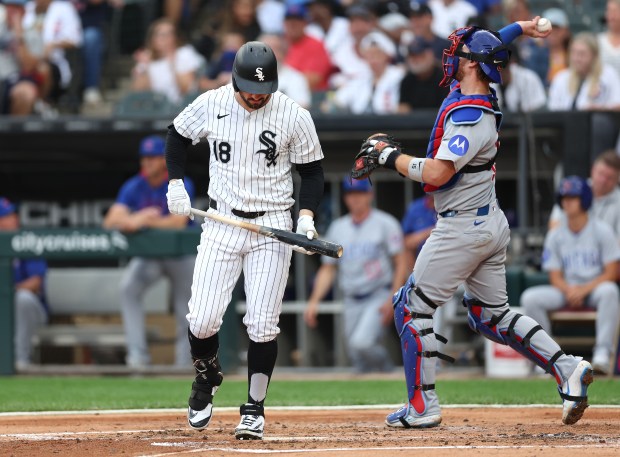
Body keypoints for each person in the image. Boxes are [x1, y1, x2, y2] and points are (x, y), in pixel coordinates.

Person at [350, 18, 595, 428]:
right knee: (490, 315)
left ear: (474, 65)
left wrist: (387, 156)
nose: (452, 56)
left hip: (462, 228)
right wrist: (523, 26)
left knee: (410, 308)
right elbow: (493, 44)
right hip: (487, 222)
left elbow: (437, 174)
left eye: (460, 54)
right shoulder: (477, 90)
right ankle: (566, 366)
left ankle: (422, 406)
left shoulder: (469, 117)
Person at [165, 41, 324, 439]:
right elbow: (177, 136)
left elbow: (314, 172)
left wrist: (305, 218)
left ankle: (254, 407)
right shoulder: (213, 102)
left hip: (271, 222)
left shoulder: (293, 114)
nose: (256, 95)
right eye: (249, 88)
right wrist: (175, 183)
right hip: (221, 219)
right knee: (201, 319)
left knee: (262, 324)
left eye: (263, 88)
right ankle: (207, 375)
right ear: (235, 79)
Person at [103, 135, 196, 368]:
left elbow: (178, 223)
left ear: (164, 160)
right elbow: (111, 220)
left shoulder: (180, 183)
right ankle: (137, 358)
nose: (147, 163)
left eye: (153, 158)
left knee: (186, 307)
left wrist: (142, 221)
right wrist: (134, 218)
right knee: (128, 289)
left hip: (181, 254)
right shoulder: (134, 185)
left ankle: (184, 364)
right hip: (151, 256)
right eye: (144, 158)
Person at [303, 177, 407, 372]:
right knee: (355, 353)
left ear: (370, 195)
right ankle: (376, 388)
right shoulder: (338, 227)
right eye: (351, 194)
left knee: (363, 343)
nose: (355, 198)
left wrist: (393, 297)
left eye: (360, 193)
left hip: (378, 293)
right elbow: (328, 268)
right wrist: (314, 301)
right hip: (351, 297)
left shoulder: (385, 223)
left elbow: (401, 262)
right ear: (345, 197)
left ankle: (388, 372)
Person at [521, 176, 620, 376]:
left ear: (584, 199)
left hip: (594, 288)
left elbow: (612, 272)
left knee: (610, 291)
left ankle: (602, 354)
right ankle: (547, 356)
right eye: (564, 197)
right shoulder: (555, 234)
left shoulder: (602, 230)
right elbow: (554, 275)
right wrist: (569, 290)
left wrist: (583, 290)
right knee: (530, 297)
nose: (567, 201)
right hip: (566, 289)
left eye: (572, 197)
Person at [8, 0, 82, 116]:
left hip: (53, 61)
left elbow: (75, 39)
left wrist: (53, 45)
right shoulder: (29, 8)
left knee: (43, 68)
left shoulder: (64, 8)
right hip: (24, 60)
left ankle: (42, 103)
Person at [0, 197, 49, 369]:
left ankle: (21, 360)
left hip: (32, 312)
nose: (14, 219)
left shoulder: (27, 241)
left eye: (14, 214)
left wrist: (7, 292)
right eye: (6, 216)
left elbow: (35, 283)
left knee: (23, 298)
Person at [548, 151, 620, 243]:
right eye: (601, 174)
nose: (603, 181)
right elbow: (554, 224)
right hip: (570, 249)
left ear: (617, 178)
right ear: (593, 169)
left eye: (609, 177)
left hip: (606, 253)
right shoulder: (575, 189)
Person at [131, 18, 204, 105]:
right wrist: (145, 67)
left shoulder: (184, 53)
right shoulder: (147, 59)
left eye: (169, 34)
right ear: (152, 39)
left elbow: (187, 89)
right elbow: (138, 94)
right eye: (161, 34)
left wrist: (172, 63)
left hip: (180, 110)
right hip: (156, 110)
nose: (165, 38)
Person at [548, 32, 620, 112]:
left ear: (594, 55)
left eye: (582, 54)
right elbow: (554, 111)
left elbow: (617, 104)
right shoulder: (561, 77)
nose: (577, 58)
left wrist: (600, 109)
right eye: (573, 53)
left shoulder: (608, 74)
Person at [398, 37, 449, 113]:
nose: (415, 60)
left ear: (430, 55)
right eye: (412, 56)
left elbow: (446, 109)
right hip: (413, 123)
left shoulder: (445, 78)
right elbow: (402, 110)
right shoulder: (407, 81)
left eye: (420, 55)